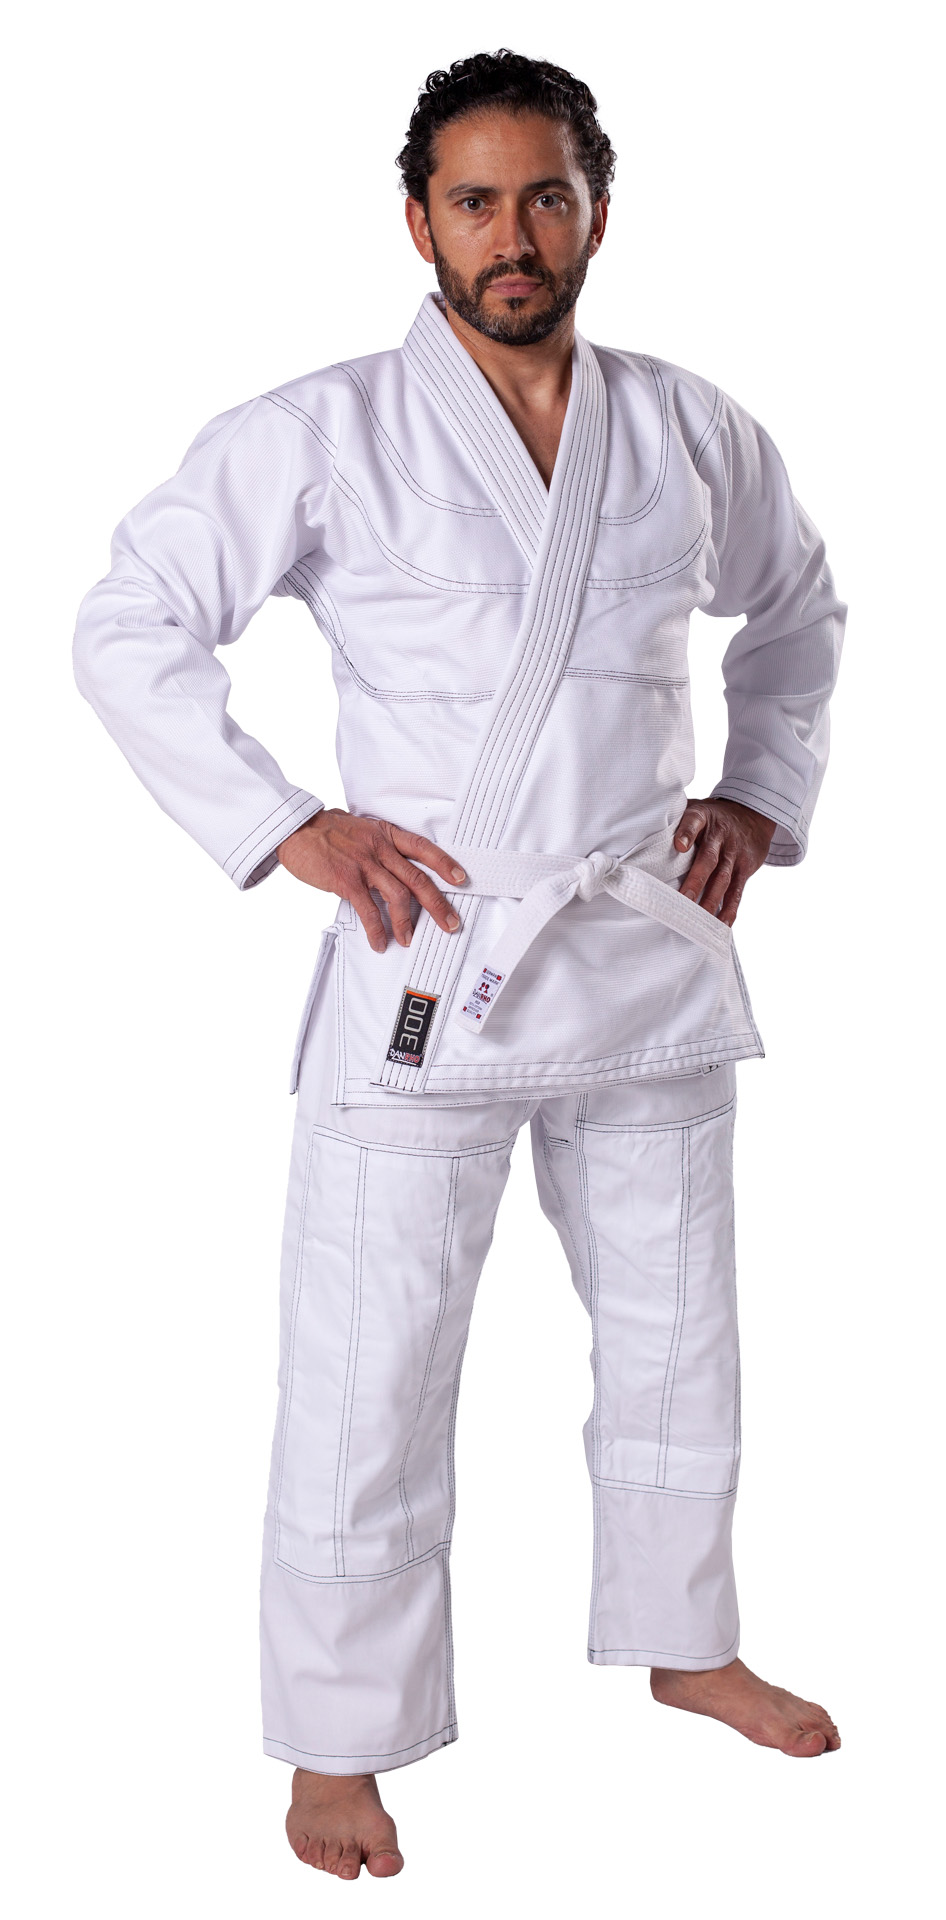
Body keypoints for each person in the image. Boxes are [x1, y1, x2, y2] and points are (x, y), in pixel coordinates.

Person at [73, 48, 846, 1881]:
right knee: (372, 1359)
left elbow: (799, 607)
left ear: (598, 211)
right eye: (477, 202)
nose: (515, 237)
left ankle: (686, 1641)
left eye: (545, 198)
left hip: (640, 949)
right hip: (429, 958)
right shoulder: (325, 429)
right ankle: (338, 1745)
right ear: (416, 219)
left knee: (679, 1333)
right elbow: (131, 623)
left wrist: (758, 789)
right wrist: (288, 827)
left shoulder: (689, 428)